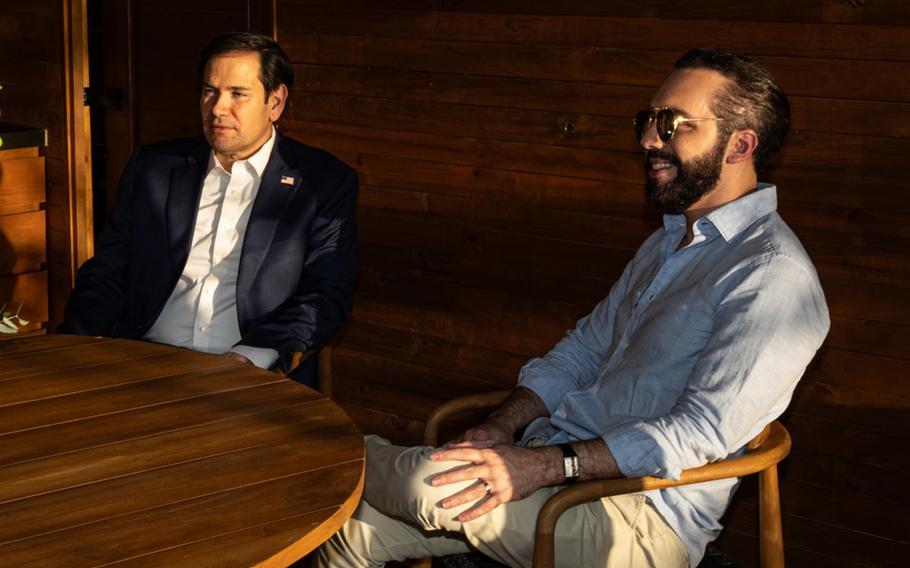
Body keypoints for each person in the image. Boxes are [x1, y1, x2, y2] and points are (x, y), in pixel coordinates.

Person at [313, 48, 830, 567]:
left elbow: (698, 433)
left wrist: (544, 467)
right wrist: (504, 426)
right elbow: (582, 352)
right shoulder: (670, 240)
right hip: (564, 469)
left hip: (638, 520)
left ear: (740, 145)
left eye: (673, 124)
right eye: (647, 120)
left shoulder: (772, 276)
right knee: (350, 534)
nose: (650, 139)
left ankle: (305, 456)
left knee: (414, 484)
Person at [58, 32, 358, 386]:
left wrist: (250, 358)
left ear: (275, 102)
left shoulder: (321, 182)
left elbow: (325, 295)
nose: (217, 107)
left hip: (253, 374)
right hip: (142, 361)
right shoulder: (155, 167)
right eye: (209, 91)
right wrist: (72, 344)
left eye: (238, 94)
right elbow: (109, 270)